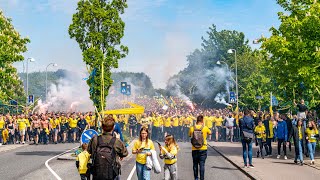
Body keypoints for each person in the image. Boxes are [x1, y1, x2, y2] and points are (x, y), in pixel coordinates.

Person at [189, 115, 212, 180]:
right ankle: (202, 178)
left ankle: (196, 178)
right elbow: (210, 133)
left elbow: (189, 135)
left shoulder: (192, 128)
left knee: (195, 164)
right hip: (203, 148)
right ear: (202, 120)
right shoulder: (205, 127)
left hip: (194, 148)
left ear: (197, 120)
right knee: (202, 164)